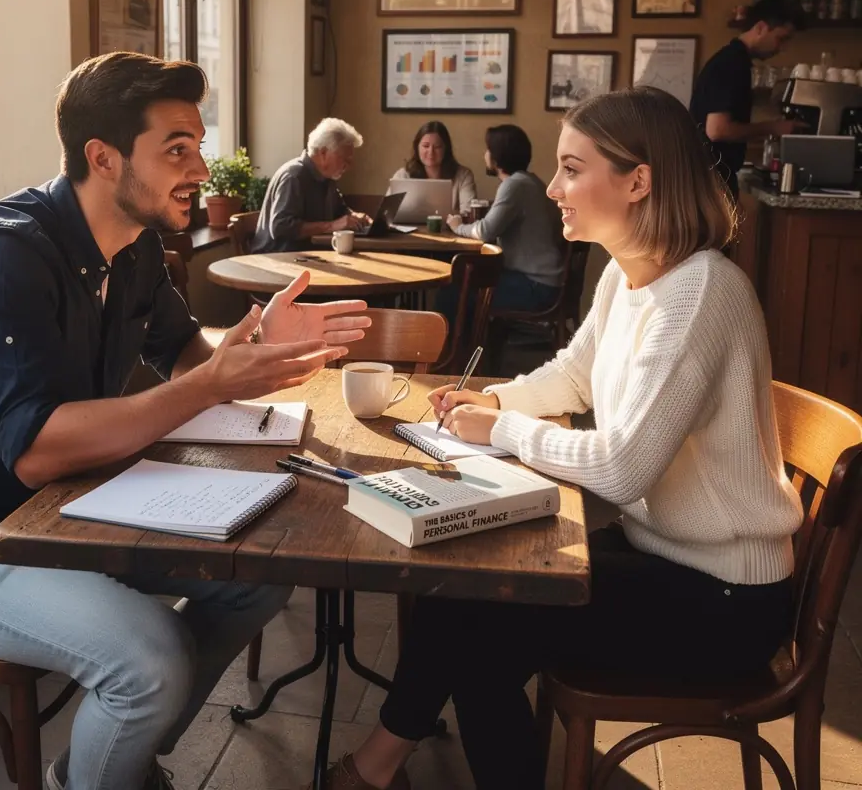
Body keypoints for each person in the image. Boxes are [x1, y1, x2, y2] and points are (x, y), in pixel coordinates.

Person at [0, 52, 373, 790]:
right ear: (103, 157)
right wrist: (215, 381)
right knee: (151, 657)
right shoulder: (1, 255)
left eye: (198, 146)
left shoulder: (134, 251)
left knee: (255, 582)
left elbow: (190, 367)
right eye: (177, 150)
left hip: (60, 514)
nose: (201, 169)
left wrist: (252, 348)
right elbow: (35, 451)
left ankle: (118, 762)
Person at [313, 87, 802, 790]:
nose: (553, 186)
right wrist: (492, 398)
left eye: (573, 168)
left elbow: (624, 466)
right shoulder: (629, 277)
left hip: (724, 599)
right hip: (665, 556)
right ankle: (375, 767)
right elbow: (573, 377)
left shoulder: (699, 294)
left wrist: (503, 427)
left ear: (638, 181)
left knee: (477, 633)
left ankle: (370, 769)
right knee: (468, 591)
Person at [689, 0, 805, 201]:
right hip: (710, 179)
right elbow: (717, 130)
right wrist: (774, 127)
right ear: (760, 27)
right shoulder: (733, 63)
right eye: (781, 38)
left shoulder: (731, 59)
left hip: (705, 177)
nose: (782, 48)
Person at [446, 124, 564, 313]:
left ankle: (464, 343)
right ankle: (481, 341)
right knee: (466, 283)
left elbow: (485, 231)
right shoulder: (530, 181)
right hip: (544, 281)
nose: (484, 154)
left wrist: (457, 226)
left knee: (452, 292)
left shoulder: (514, 185)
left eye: (488, 149)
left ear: (497, 155)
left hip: (536, 286)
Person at [250, 117, 370, 253]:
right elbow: (280, 227)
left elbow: (340, 211)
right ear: (323, 152)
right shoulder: (294, 176)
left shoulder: (327, 177)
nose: (348, 166)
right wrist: (331, 226)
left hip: (305, 258)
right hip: (277, 261)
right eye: (345, 159)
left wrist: (356, 218)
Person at [388, 120, 478, 215]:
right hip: (411, 229)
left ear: (446, 149)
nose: (431, 152)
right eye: (425, 146)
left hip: (449, 229)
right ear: (417, 147)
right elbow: (388, 212)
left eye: (437, 147)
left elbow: (468, 213)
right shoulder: (403, 175)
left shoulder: (463, 176)